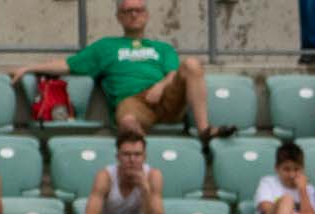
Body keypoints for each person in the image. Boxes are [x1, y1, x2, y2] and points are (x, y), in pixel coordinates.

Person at [16, 0, 226, 141]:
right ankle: (142, 160)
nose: (134, 15)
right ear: (119, 17)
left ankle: (204, 131)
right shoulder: (106, 46)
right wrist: (29, 68)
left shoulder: (163, 48)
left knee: (192, 65)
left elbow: (173, 74)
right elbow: (68, 64)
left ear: (146, 15)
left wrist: (161, 87)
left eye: (138, 10)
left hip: (165, 98)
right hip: (132, 102)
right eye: (128, 11)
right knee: (126, 122)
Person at [70, 130, 168, 214]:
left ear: (144, 157)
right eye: (126, 154)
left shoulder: (153, 176)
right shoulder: (105, 177)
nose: (132, 160)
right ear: (118, 156)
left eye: (137, 155)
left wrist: (145, 190)